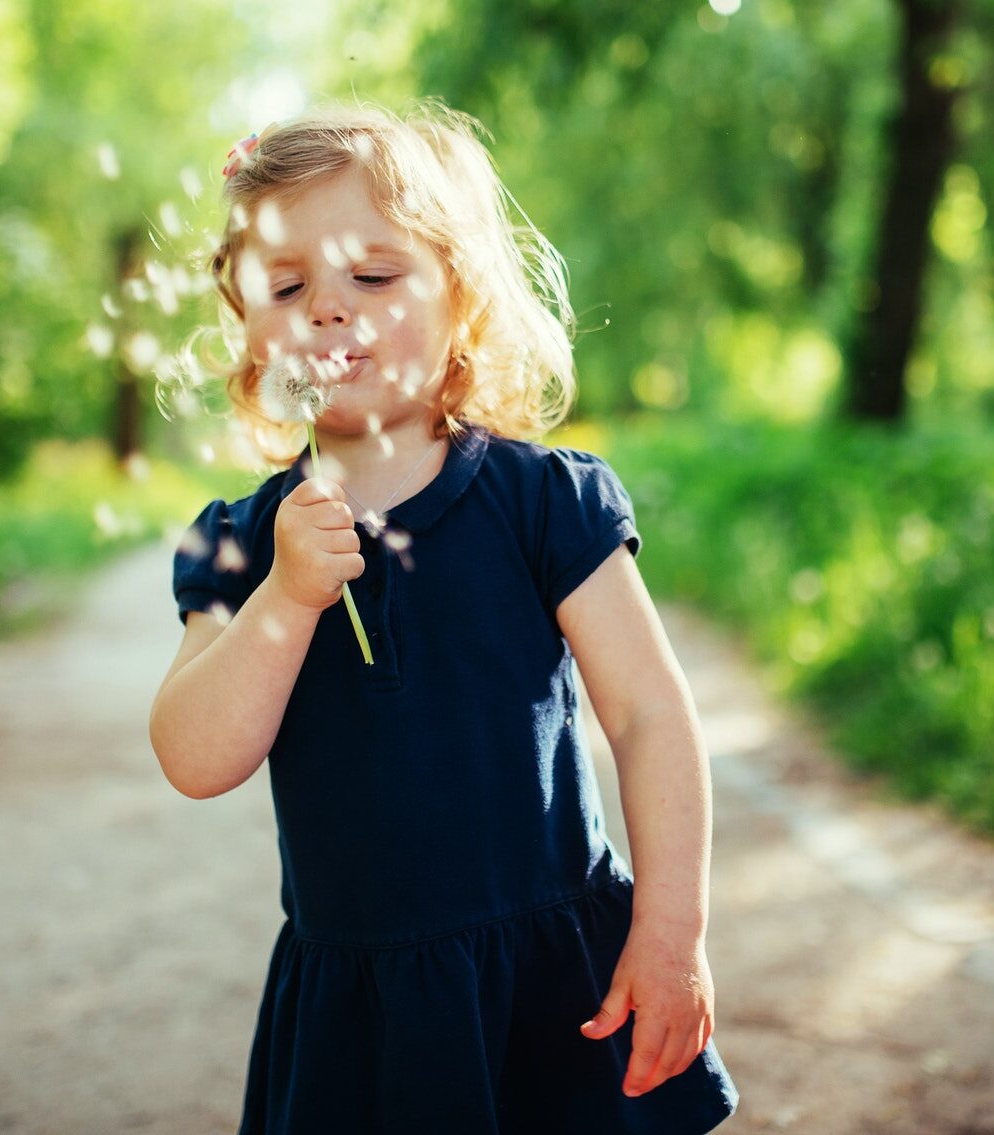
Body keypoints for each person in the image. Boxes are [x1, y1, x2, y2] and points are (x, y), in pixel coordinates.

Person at [148, 98, 739, 1134]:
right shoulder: (241, 542)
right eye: (288, 286)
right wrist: (286, 598)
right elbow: (195, 756)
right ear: (249, 326)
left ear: (457, 294)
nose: (330, 308)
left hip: (550, 981)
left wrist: (671, 929)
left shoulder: (539, 502)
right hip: (360, 1008)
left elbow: (648, 712)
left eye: (372, 275)